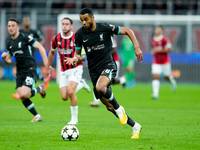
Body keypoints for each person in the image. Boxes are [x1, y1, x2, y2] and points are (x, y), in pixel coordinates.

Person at [66, 8, 143, 139]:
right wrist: (75, 58)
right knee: (109, 107)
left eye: (86, 19)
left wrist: (136, 47)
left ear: (92, 18)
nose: (83, 22)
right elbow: (78, 54)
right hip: (94, 71)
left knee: (101, 88)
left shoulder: (105, 28)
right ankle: (135, 126)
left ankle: (120, 109)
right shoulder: (79, 34)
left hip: (108, 65)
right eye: (81, 20)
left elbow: (128, 31)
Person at [45, 17, 91, 125]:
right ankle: (82, 84)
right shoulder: (56, 39)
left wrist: (74, 59)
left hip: (76, 68)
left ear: (71, 26)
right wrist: (48, 66)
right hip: (63, 71)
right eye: (63, 24)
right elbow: (52, 53)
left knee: (71, 92)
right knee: (64, 97)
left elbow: (84, 56)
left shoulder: (77, 38)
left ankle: (74, 119)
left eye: (67, 24)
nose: (64, 26)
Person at [1, 18, 48, 122]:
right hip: (19, 71)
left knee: (24, 94)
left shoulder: (25, 37)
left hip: (30, 68)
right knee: (22, 96)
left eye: (13, 26)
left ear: (18, 27)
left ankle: (40, 88)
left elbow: (40, 46)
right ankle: (37, 116)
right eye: (9, 26)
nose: (11, 28)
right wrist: (5, 58)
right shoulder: (9, 42)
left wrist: (46, 63)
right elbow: (9, 60)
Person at [12, 17, 49, 100]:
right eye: (25, 21)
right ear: (22, 23)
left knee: (30, 72)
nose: (26, 22)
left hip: (31, 56)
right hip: (21, 57)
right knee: (26, 73)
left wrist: (37, 45)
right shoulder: (20, 33)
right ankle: (43, 80)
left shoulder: (34, 32)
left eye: (27, 20)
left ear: (30, 22)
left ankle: (24, 91)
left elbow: (42, 39)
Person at [89, 37, 126, 107]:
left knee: (109, 81)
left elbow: (114, 50)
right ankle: (96, 101)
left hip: (113, 62)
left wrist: (102, 52)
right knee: (98, 80)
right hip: (102, 62)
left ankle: (122, 80)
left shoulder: (109, 34)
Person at [151, 25, 177, 100]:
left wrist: (158, 50)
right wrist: (153, 51)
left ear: (162, 31)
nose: (157, 31)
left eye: (159, 29)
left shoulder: (165, 39)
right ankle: (155, 94)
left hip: (165, 62)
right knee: (156, 76)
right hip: (156, 61)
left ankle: (173, 82)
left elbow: (169, 49)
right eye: (156, 29)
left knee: (167, 76)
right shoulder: (153, 39)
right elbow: (154, 49)